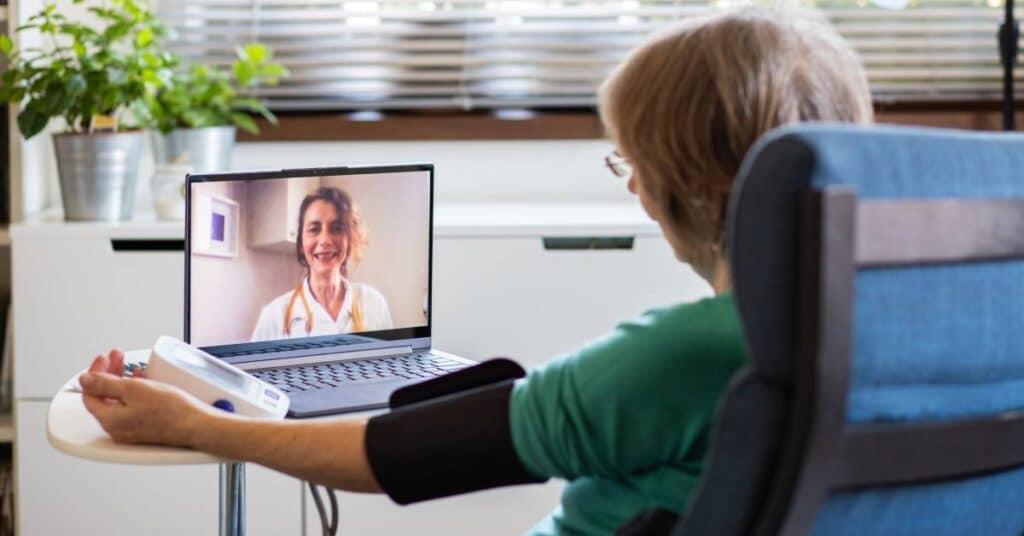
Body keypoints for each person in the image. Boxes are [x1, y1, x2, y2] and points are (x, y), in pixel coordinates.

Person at [79, 7, 872, 535]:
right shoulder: (904, 329)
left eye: (633, 160)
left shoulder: (688, 354)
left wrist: (192, 425)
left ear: (693, 181)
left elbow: (392, 457)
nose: (631, 183)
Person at [250, 186, 393, 341]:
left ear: (349, 239)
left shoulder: (374, 303)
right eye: (314, 229)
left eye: (337, 228)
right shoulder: (273, 317)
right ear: (300, 243)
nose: (325, 240)